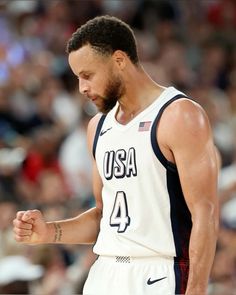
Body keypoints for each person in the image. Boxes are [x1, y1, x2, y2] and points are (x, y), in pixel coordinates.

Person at [13, 15, 219, 295]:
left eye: (88, 75)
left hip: (159, 273)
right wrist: (49, 232)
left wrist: (196, 290)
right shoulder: (98, 127)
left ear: (119, 60)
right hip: (105, 273)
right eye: (77, 78)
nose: (82, 88)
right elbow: (104, 217)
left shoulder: (179, 116)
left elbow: (205, 215)